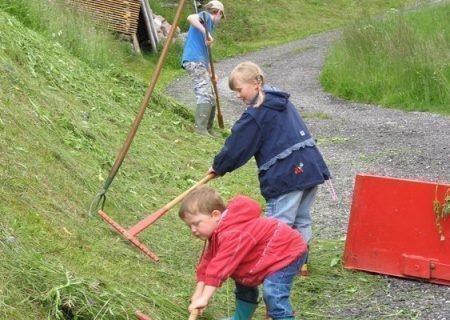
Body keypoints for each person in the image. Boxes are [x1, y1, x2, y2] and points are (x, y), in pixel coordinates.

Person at [208, 61, 331, 275]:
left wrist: (219, 166)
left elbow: (239, 144)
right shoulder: (280, 101)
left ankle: (277, 266)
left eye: (239, 89)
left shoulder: (257, 113)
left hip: (287, 175)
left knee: (278, 223)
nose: (238, 95)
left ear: (256, 83)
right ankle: (299, 263)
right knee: (301, 218)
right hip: (310, 167)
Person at [179, 186, 308, 320]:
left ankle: (283, 317)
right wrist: (198, 293)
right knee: (243, 281)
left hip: (287, 253)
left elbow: (220, 267)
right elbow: (208, 262)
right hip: (266, 255)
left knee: (273, 292)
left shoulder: (233, 233)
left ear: (215, 215)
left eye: (196, 224)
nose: (193, 230)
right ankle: (241, 317)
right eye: (190, 226)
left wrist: (205, 298)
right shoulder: (218, 231)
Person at [181, 0, 225, 137]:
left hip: (201, 62)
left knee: (211, 94)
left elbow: (206, 52)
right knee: (204, 93)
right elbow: (191, 17)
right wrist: (206, 32)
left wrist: (211, 72)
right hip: (193, 60)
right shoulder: (206, 16)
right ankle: (200, 129)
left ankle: (208, 128)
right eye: (221, 17)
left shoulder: (209, 25)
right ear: (218, 13)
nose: (220, 20)